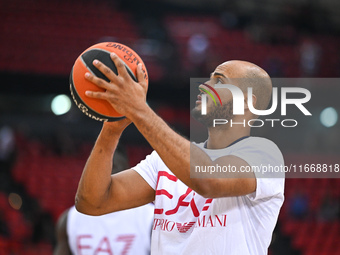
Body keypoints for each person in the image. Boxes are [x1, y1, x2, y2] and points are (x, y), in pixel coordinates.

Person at [75, 54, 285, 255]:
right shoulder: (165, 159)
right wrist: (112, 129)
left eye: (219, 81)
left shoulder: (265, 155)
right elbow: (91, 202)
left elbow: (209, 180)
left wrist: (139, 109)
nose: (204, 85)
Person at [54, 148, 154, 255]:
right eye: (100, 168)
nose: (106, 173)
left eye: (113, 166)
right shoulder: (70, 219)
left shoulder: (151, 217)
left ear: (128, 170)